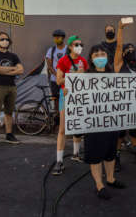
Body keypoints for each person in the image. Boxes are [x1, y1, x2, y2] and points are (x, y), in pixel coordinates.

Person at [84, 44, 126, 200]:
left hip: (111, 121)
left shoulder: (113, 75)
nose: (100, 57)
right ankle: (99, 185)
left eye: (102, 54)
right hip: (93, 123)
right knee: (95, 154)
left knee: (110, 153)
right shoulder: (85, 76)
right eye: (96, 55)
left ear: (107, 57)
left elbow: (122, 94)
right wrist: (69, 91)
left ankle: (110, 178)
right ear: (91, 59)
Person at [113, 20, 136, 170]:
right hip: (121, 104)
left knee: (135, 130)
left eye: (132, 50)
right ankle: (116, 157)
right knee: (120, 133)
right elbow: (119, 46)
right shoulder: (119, 64)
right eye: (127, 50)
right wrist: (120, 29)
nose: (130, 52)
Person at [52, 35, 88, 175]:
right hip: (66, 96)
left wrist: (82, 75)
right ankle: (59, 161)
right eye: (76, 44)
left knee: (77, 124)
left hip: (80, 96)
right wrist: (72, 77)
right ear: (70, 46)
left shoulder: (84, 61)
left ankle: (76, 153)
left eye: (81, 44)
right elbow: (58, 80)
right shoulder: (63, 60)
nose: (79, 47)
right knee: (63, 128)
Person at [46, 29, 67, 111]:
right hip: (54, 80)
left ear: (63, 38)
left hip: (65, 80)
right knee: (56, 100)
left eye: (58, 37)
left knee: (66, 99)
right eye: (55, 37)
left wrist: (63, 77)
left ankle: (65, 119)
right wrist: (57, 75)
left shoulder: (68, 50)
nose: (56, 39)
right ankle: (57, 118)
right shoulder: (51, 50)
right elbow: (49, 65)